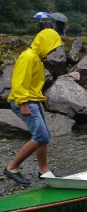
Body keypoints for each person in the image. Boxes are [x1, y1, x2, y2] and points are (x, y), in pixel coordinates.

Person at [3, 29, 64, 185]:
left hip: (33, 101)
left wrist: (39, 101)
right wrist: (23, 103)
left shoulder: (36, 57)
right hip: (25, 101)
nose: (55, 50)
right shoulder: (28, 57)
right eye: (53, 46)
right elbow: (19, 82)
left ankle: (44, 171)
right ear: (44, 43)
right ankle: (12, 168)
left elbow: (32, 84)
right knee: (40, 136)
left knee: (44, 137)